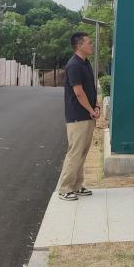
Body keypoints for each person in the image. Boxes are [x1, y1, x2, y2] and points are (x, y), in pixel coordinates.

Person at [56, 32, 100, 201]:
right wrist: (91, 110)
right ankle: (65, 188)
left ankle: (76, 185)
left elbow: (90, 89)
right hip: (77, 116)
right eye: (89, 43)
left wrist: (96, 107)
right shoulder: (74, 65)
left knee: (82, 152)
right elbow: (79, 92)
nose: (91, 45)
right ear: (79, 45)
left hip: (87, 115)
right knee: (75, 153)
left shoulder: (85, 62)